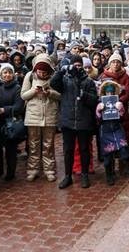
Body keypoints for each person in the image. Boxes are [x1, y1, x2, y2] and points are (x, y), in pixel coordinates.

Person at [51, 55, 99, 189]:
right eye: (75, 65)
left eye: (79, 65)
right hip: (68, 121)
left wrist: (83, 94)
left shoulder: (88, 81)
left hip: (84, 121)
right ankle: (67, 176)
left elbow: (94, 100)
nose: (77, 68)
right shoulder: (65, 80)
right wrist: (61, 70)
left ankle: (84, 174)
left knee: (84, 149)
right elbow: (53, 84)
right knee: (68, 150)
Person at [21, 54, 60, 182]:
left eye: (44, 72)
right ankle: (33, 169)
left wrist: (50, 93)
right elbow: (23, 95)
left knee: (48, 145)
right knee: (33, 145)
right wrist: (34, 91)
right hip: (33, 116)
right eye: (39, 71)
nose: (42, 74)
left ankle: (49, 169)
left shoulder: (55, 77)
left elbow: (61, 95)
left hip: (50, 115)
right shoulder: (29, 76)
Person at [0, 64, 25, 181]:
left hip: (10, 122)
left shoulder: (17, 88)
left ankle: (11, 172)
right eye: (5, 72)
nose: (7, 75)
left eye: (9, 72)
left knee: (10, 148)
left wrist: (4, 110)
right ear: (0, 74)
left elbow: (18, 106)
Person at [96, 80, 129, 185]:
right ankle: (109, 174)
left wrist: (121, 110)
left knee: (124, 149)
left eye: (112, 92)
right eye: (107, 92)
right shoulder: (100, 103)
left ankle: (128, 169)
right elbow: (97, 121)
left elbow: (123, 118)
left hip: (117, 128)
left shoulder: (119, 102)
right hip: (105, 130)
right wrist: (98, 112)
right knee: (108, 154)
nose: (110, 94)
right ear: (104, 93)